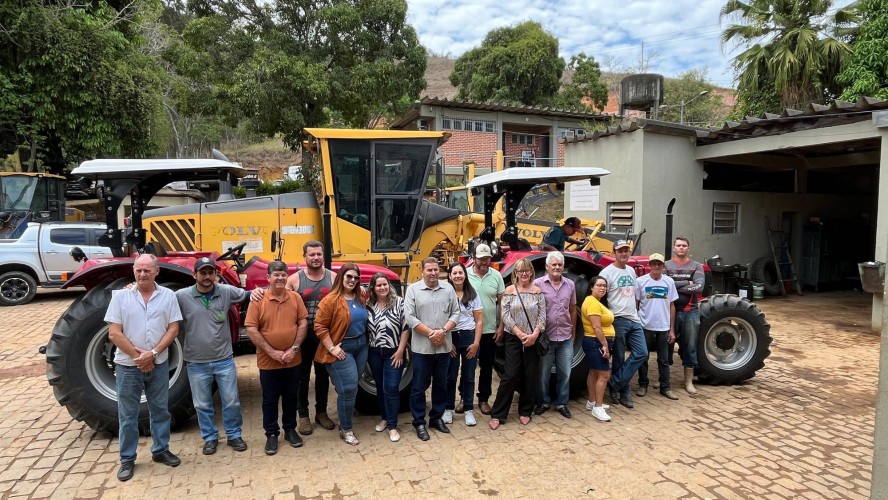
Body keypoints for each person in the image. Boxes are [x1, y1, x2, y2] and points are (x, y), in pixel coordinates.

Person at [105, 254, 183, 482]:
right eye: (138, 270)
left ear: (156, 271)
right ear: (133, 271)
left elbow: (173, 329)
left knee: (160, 410)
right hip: (128, 366)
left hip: (158, 364)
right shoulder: (120, 297)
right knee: (128, 416)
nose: (142, 274)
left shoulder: (168, 296)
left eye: (147, 270)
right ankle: (127, 459)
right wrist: (138, 356)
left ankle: (161, 450)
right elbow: (114, 332)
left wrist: (154, 353)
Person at [251, 241, 337, 435]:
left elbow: (346, 294)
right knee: (301, 378)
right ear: (304, 257)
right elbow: (274, 290)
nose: (316, 258)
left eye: (319, 254)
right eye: (312, 254)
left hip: (325, 338)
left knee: (323, 376)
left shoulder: (333, 277)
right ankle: (303, 415)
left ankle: (321, 413)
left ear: (323, 256)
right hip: (302, 339)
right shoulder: (294, 280)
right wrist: (255, 292)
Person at [176, 257, 249, 456]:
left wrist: (266, 290)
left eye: (211, 273)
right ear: (195, 275)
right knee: (202, 403)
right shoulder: (182, 296)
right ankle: (209, 437)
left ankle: (234, 435)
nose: (207, 276)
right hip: (196, 362)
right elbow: (159, 299)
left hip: (223, 360)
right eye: (203, 272)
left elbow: (248, 295)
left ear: (216, 275)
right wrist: (132, 287)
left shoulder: (226, 292)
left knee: (231, 400)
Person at [245, 260, 309, 455]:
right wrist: (272, 352)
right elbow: (251, 328)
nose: (280, 278)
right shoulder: (258, 299)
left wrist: (294, 349)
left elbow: (303, 322)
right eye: (276, 275)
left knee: (291, 396)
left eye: (283, 274)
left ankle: (290, 429)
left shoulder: (295, 298)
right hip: (268, 362)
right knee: (270, 399)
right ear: (268, 278)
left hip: (293, 359)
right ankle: (271, 434)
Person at [404, 257, 460, 441]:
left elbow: (456, 312)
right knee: (419, 387)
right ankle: (419, 422)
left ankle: (436, 417)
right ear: (422, 271)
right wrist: (431, 334)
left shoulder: (448, 289)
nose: (433, 273)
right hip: (422, 349)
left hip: (443, 347)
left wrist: (443, 331)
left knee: (441, 384)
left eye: (436, 270)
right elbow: (410, 317)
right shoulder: (413, 290)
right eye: (429, 270)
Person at [314, 263, 369, 446]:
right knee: (348, 388)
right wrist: (332, 348)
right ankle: (346, 428)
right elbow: (319, 327)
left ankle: (345, 411)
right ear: (341, 277)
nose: (352, 280)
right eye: (349, 277)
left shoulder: (360, 296)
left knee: (351, 385)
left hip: (361, 346)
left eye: (356, 277)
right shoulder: (330, 300)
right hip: (341, 349)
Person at [489, 258, 546, 430]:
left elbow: (543, 316)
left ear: (531, 272)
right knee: (511, 374)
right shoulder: (509, 291)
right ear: (516, 273)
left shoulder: (538, 292)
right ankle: (498, 413)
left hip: (532, 338)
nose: (524, 274)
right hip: (514, 337)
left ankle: (525, 411)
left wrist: (535, 334)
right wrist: (520, 333)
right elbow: (505, 315)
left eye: (527, 270)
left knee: (530, 374)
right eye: (521, 271)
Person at [599, 239, 648, 409]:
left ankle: (614, 383)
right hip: (618, 319)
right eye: (620, 251)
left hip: (634, 319)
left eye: (626, 250)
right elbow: (602, 298)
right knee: (619, 357)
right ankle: (624, 393)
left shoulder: (631, 271)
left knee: (642, 353)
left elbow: (633, 295)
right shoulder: (607, 273)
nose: (624, 253)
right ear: (614, 253)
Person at [366, 272, 409, 443]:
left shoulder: (399, 302)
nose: (382, 287)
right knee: (380, 386)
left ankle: (392, 425)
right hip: (375, 353)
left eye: (385, 284)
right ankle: (385, 417)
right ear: (373, 288)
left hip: (394, 353)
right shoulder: (369, 304)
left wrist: (400, 350)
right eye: (378, 285)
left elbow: (406, 328)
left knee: (391, 388)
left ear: (388, 286)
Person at [533, 251, 577, 419]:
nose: (557, 267)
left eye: (559, 264)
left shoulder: (571, 285)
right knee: (543, 373)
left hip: (565, 336)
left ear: (563, 267)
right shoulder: (538, 284)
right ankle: (543, 402)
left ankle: (561, 403)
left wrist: (573, 332)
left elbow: (573, 309)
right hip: (546, 337)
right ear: (547, 267)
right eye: (554, 264)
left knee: (565, 372)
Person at [634, 253, 680, 400]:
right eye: (653, 264)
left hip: (664, 326)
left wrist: (672, 329)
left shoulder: (669, 282)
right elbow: (635, 304)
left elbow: (672, 305)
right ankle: (643, 385)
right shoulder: (640, 282)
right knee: (643, 357)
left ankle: (665, 387)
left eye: (659, 264)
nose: (656, 267)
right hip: (645, 325)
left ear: (662, 266)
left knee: (664, 359)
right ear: (649, 265)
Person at [466, 243, 505, 416]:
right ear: (474, 258)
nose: (484, 262)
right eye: (481, 258)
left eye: (487, 258)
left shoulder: (496, 276)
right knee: (467, 367)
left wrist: (501, 325)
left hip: (489, 329)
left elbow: (502, 303)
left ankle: (483, 399)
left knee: (487, 366)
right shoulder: (465, 275)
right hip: (468, 329)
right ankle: (464, 399)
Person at [444, 262, 483, 427]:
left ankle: (468, 409)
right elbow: (440, 319)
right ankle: (448, 408)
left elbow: (479, 320)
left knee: (468, 375)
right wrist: (447, 342)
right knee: (450, 375)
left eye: (461, 272)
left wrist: (476, 343)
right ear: (450, 276)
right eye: (455, 273)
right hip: (450, 337)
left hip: (468, 337)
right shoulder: (445, 294)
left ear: (465, 275)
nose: (458, 276)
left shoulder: (473, 295)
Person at [665, 237, 705, 394]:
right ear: (674, 248)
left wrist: (675, 285)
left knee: (690, 346)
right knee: (666, 345)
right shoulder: (666, 265)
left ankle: (688, 382)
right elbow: (664, 285)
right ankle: (664, 379)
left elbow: (699, 287)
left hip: (690, 312)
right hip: (669, 312)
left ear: (688, 248)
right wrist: (688, 283)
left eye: (684, 246)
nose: (681, 248)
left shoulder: (696, 266)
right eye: (678, 245)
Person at [581, 276, 614, 422]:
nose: (602, 288)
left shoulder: (594, 301)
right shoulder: (593, 303)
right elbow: (596, 327)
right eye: (599, 285)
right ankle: (598, 408)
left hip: (594, 342)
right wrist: (605, 345)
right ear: (591, 287)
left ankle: (592, 402)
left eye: (604, 286)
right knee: (604, 375)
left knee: (594, 373)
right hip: (596, 342)